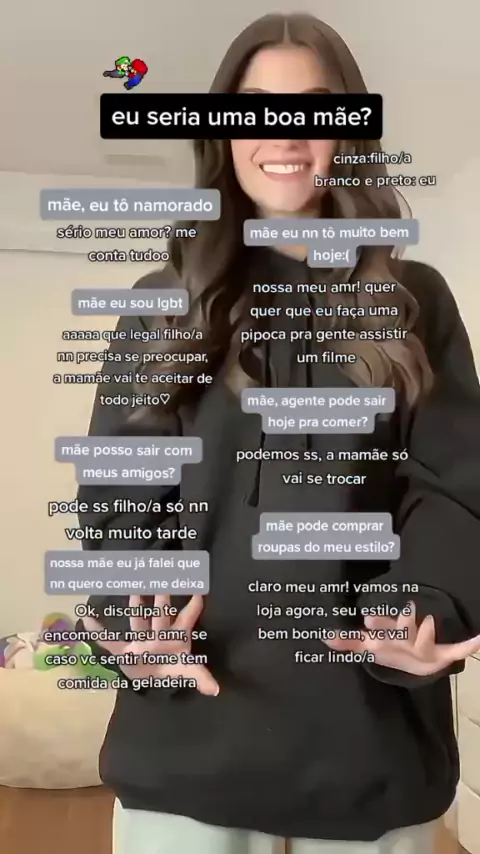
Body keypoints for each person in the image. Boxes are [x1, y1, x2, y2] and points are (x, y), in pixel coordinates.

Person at [77, 12, 480, 854]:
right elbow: (118, 510)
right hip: (184, 749)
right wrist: (130, 622)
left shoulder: (419, 301)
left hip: (371, 756)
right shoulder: (162, 304)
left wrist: (426, 613)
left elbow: (451, 491)